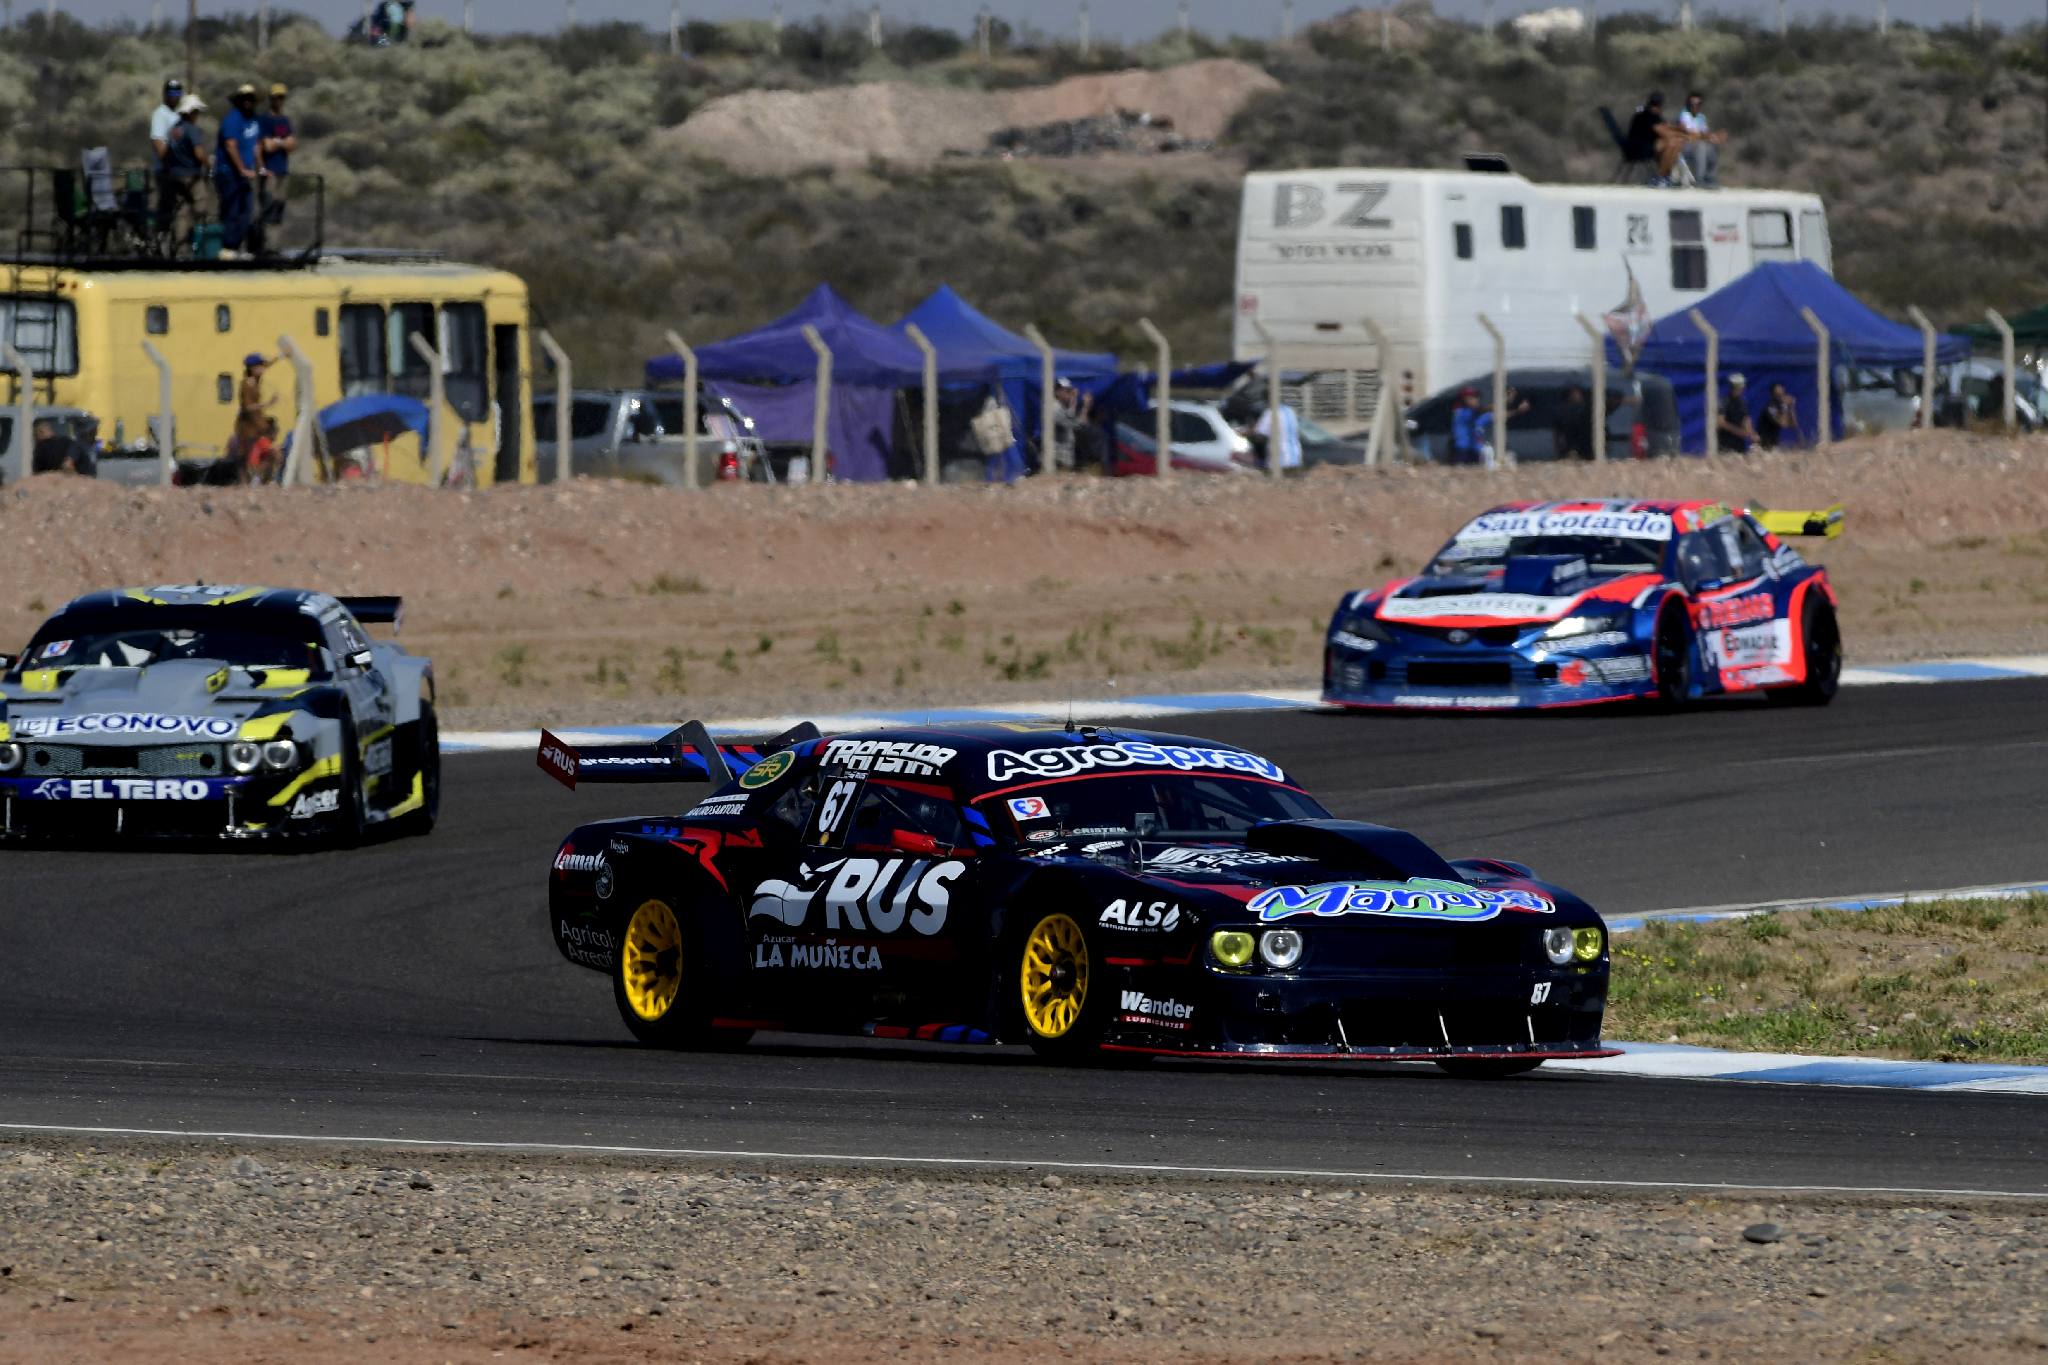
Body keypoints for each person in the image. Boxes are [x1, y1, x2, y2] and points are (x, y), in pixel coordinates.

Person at [214, 84, 266, 258]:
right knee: (232, 210)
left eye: (250, 99)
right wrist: (241, 168)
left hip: (246, 174)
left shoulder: (254, 120)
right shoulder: (232, 120)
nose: (247, 102)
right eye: (244, 99)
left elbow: (256, 145)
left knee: (247, 210)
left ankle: (241, 245)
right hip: (228, 173)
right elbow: (231, 145)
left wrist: (261, 166)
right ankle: (228, 246)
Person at [156, 93, 211, 250]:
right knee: (200, 205)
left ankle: (181, 247)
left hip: (175, 175)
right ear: (191, 112)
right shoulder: (192, 130)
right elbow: (199, 153)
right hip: (191, 175)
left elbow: (166, 153)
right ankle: (198, 241)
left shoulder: (174, 130)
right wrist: (209, 163)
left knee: (181, 211)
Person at [258, 83, 297, 233]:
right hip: (270, 171)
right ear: (271, 99)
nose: (279, 101)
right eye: (276, 98)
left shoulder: (285, 121)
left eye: (282, 98)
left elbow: (292, 144)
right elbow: (267, 146)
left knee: (280, 207)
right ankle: (264, 244)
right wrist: (283, 142)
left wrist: (277, 142)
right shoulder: (265, 120)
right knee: (269, 207)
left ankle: (274, 245)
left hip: (283, 170)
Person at [1677, 91, 1729, 188]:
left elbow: (1705, 133)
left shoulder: (1701, 117)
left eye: (1698, 104)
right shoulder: (1684, 115)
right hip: (1686, 145)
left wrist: (1715, 137)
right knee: (1701, 147)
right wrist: (1703, 136)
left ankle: (1710, 176)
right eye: (1692, 104)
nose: (1695, 106)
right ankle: (1699, 178)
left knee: (1711, 147)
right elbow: (1686, 132)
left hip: (1698, 143)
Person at [1254, 401, 1303, 473]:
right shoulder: (1290, 411)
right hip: (1295, 457)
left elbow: (1260, 435)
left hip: (1281, 458)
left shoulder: (1270, 413)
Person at [1716, 373, 1758, 454]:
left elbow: (1746, 419)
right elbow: (1720, 422)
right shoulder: (1724, 402)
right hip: (1725, 443)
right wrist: (1739, 431)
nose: (1741, 390)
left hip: (1739, 444)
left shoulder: (1742, 402)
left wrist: (1752, 434)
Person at [149, 77, 185, 167]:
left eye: (177, 93)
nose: (174, 96)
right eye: (171, 93)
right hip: (167, 170)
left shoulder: (178, 114)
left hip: (179, 168)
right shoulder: (160, 113)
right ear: (165, 94)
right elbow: (158, 141)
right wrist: (169, 165)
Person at [1554, 384, 1595, 460]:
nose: (1577, 396)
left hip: (1584, 444)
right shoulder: (1565, 410)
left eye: (1578, 394)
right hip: (1572, 441)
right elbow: (1558, 431)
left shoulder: (1586, 410)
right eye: (1574, 394)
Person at [1757, 382, 1801, 449]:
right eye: (1778, 395)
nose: (1781, 397)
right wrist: (1785, 406)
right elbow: (1782, 423)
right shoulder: (1770, 407)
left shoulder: (1781, 406)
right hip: (1764, 444)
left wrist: (1791, 407)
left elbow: (1793, 424)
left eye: (1782, 394)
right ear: (1773, 395)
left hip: (1774, 443)